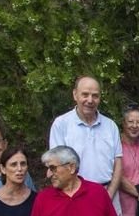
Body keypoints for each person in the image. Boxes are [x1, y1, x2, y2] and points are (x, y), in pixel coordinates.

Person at [48, 76, 122, 205]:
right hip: (74, 196)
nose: (90, 100)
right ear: (75, 94)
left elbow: (118, 163)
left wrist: (109, 195)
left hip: (109, 195)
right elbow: (57, 165)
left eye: (95, 96)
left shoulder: (110, 126)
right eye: (85, 94)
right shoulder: (61, 124)